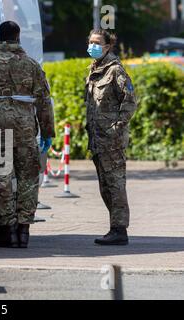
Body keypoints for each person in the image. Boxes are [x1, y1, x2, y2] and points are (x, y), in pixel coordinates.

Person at [0, 21, 55, 248]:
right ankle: (24, 231)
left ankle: (7, 231)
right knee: (28, 177)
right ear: (18, 37)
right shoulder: (32, 65)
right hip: (26, 128)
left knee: (2, 177)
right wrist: (48, 131)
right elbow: (44, 102)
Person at [85, 29, 137, 245]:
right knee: (105, 185)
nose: (92, 46)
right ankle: (114, 227)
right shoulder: (94, 69)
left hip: (112, 140)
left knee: (115, 184)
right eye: (90, 42)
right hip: (97, 139)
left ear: (107, 46)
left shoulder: (116, 71)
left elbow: (130, 102)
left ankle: (119, 230)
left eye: (97, 42)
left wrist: (116, 128)